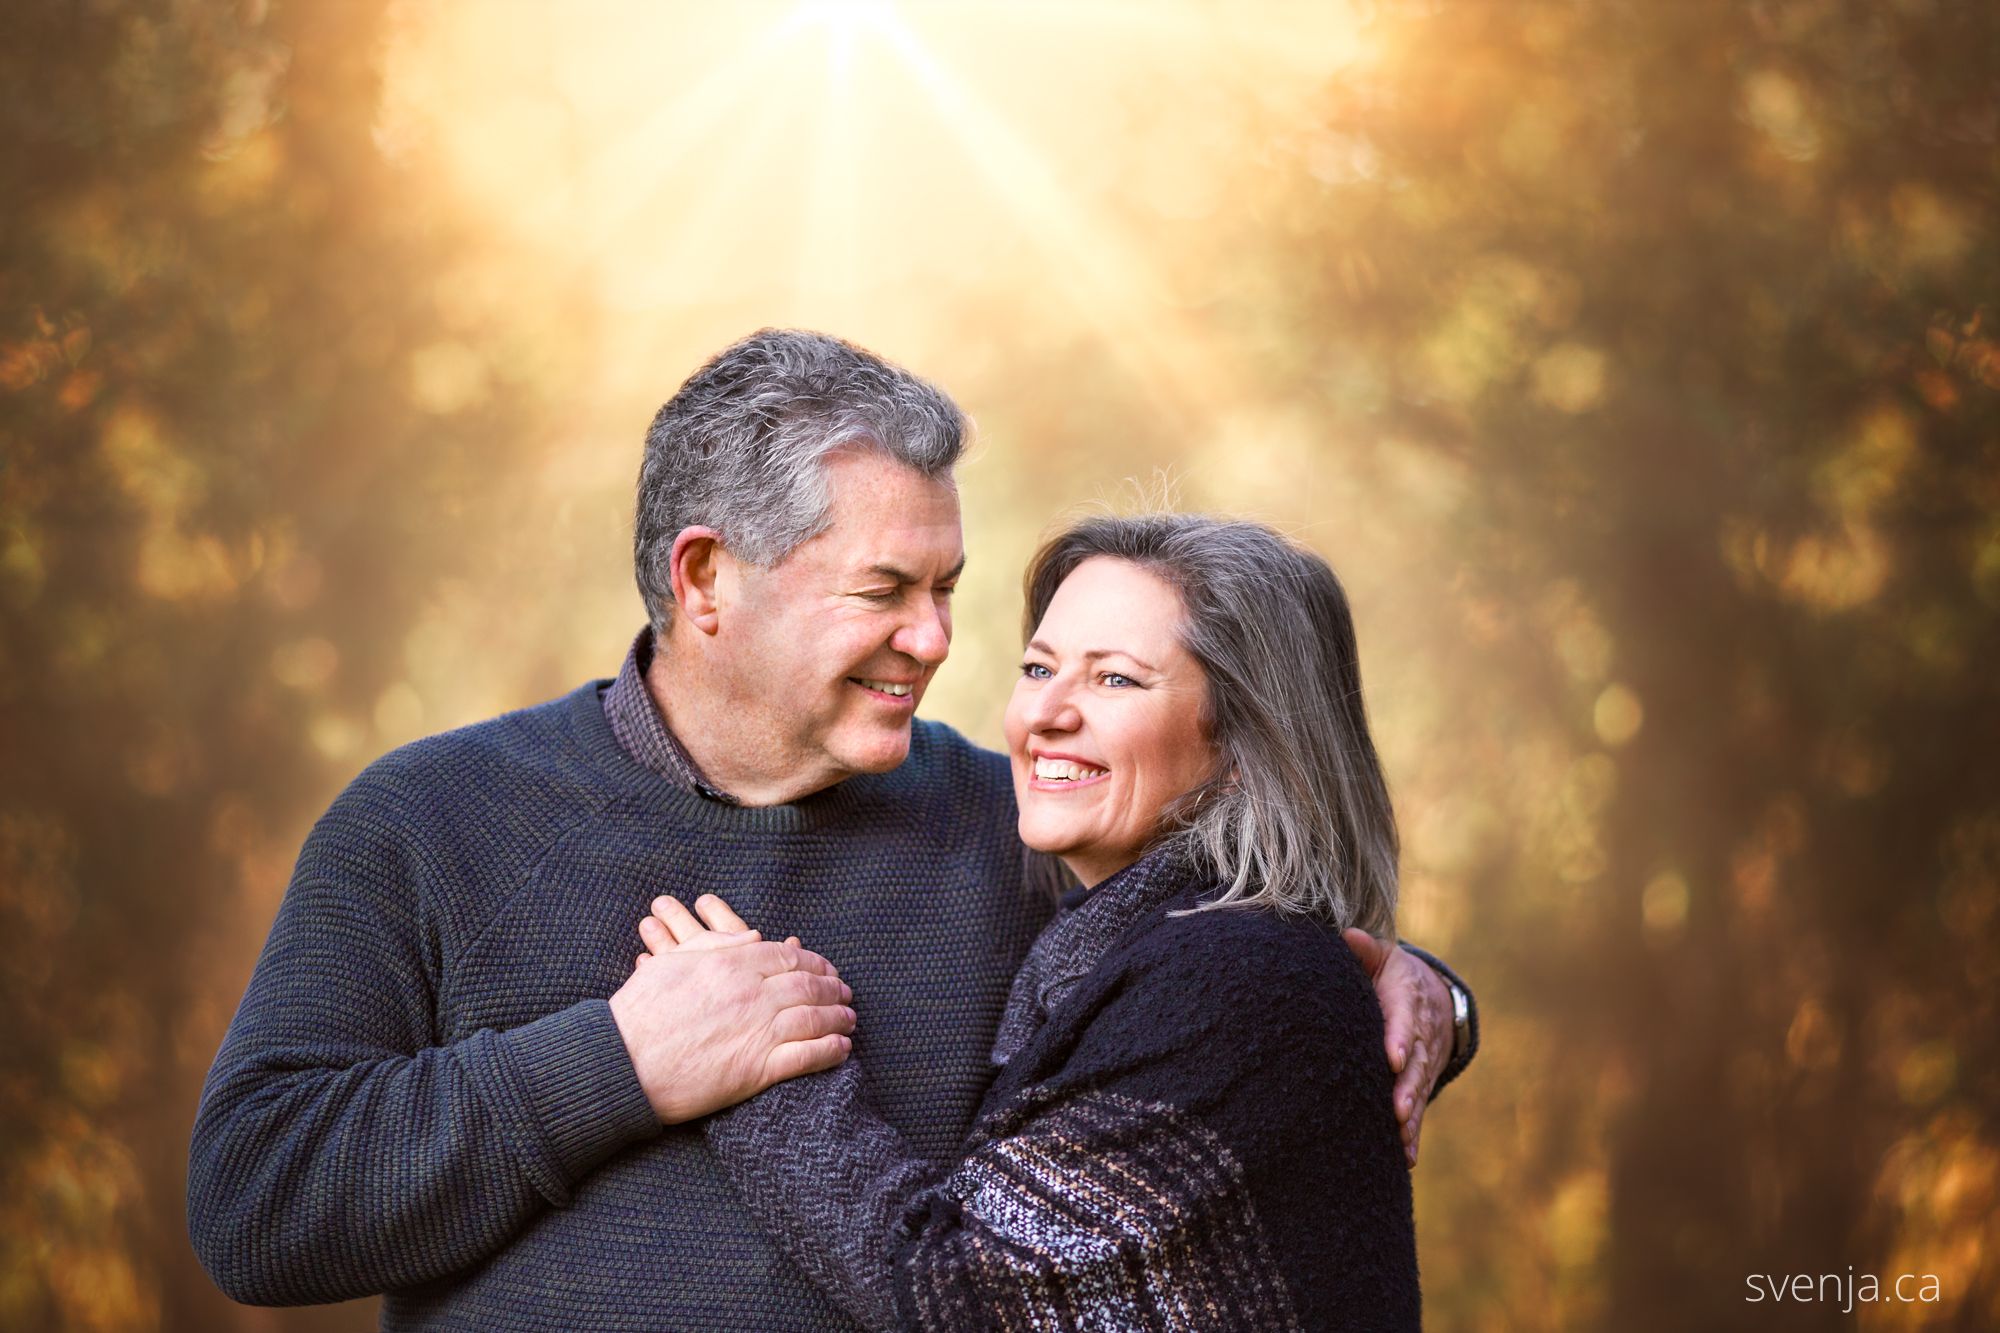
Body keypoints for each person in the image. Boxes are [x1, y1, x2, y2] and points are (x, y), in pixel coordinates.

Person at [187, 330, 1476, 1329]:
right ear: (705, 578)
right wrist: (620, 1059)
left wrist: (1415, 985)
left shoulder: (1019, 838)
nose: (935, 639)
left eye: (946, 589)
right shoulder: (427, 822)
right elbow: (255, 1203)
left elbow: (1223, 1000)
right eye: (884, 590)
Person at [646, 514, 1427, 1330]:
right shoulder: (1154, 943)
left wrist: (767, 1061)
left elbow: (965, 1298)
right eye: (1038, 667)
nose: (1045, 713)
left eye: (1115, 679)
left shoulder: (1239, 979)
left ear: (1244, 742)